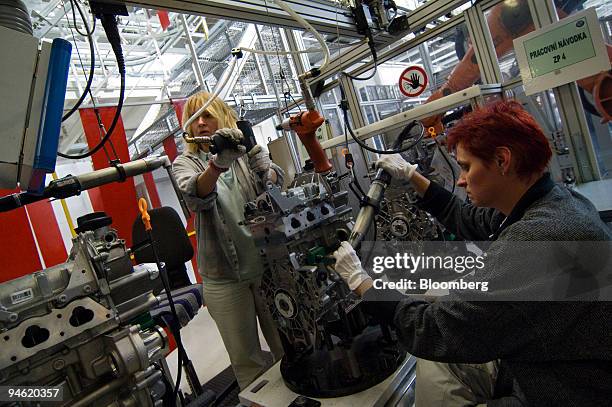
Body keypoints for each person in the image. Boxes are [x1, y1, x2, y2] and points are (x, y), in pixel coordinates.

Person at [333, 100, 612, 406]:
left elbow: (436, 331)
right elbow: (470, 219)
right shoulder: (554, 200)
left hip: (564, 390)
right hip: (553, 355)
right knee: (440, 294)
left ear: (503, 161)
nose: (461, 179)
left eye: (466, 166)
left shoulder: (537, 240)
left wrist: (363, 283)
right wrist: (412, 175)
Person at [172, 92, 284, 390]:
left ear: (224, 117)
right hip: (223, 276)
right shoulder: (185, 163)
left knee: (288, 338)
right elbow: (196, 196)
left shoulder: (245, 153)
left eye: (208, 115)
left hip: (267, 265)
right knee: (246, 360)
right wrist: (218, 163)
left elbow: (276, 184)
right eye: (195, 119)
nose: (202, 123)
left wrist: (266, 167)